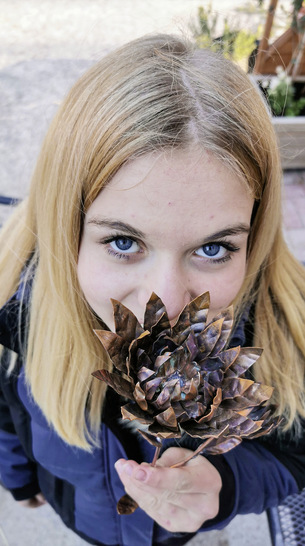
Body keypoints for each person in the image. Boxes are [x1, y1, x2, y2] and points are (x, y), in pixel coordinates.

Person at [0, 33, 305, 546]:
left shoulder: (280, 328)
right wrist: (19, 481)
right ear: (64, 225)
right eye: (123, 241)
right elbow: (6, 415)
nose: (166, 303)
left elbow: (294, 452)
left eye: (212, 249)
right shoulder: (16, 309)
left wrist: (224, 487)